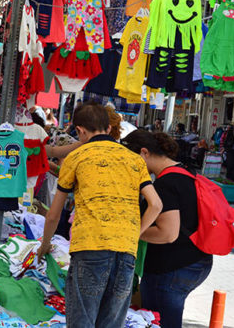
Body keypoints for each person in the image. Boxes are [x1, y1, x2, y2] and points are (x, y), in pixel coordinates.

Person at [38, 104, 163, 328]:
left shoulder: (77, 157)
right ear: (108, 127)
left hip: (90, 248)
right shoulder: (134, 160)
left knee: (82, 322)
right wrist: (134, 235)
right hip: (125, 251)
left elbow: (53, 215)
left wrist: (44, 245)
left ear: (80, 131)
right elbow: (155, 204)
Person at [122, 130, 213, 328]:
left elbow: (167, 233)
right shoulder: (185, 171)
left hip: (172, 268)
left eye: (131, 160)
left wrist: (129, 233)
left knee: (160, 322)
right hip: (197, 259)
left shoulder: (166, 184)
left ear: (144, 153)